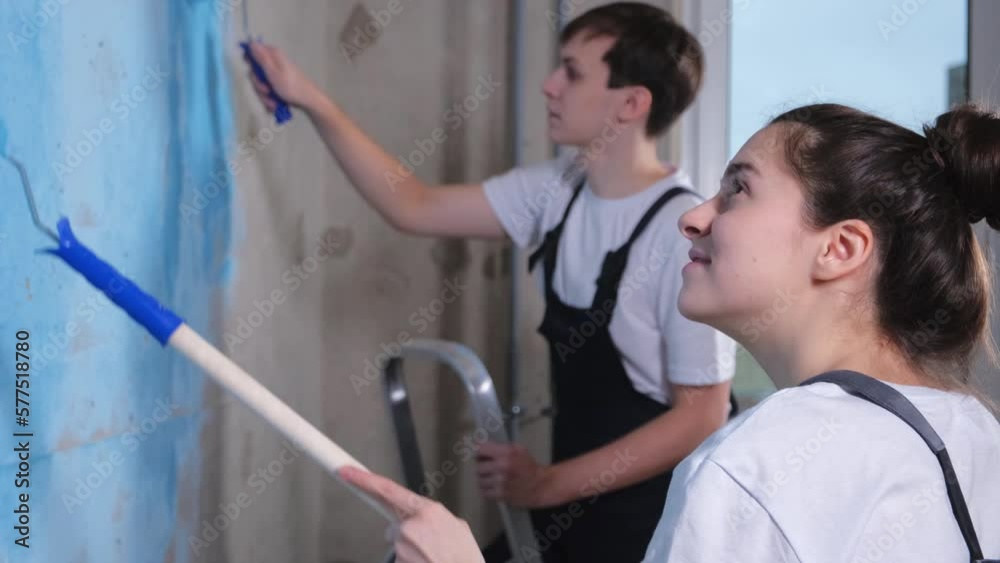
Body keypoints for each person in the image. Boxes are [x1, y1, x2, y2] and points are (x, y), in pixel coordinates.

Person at [341, 102, 1000, 563]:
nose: (694, 217)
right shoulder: (977, 434)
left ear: (840, 247)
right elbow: (414, 202)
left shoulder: (756, 467)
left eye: (738, 191)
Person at [244, 3, 736, 561]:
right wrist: (313, 100)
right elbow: (414, 205)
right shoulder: (558, 191)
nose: (550, 87)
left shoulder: (681, 233)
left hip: (653, 520)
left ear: (631, 103)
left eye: (572, 72)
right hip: (572, 505)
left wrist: (546, 484)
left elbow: (701, 416)